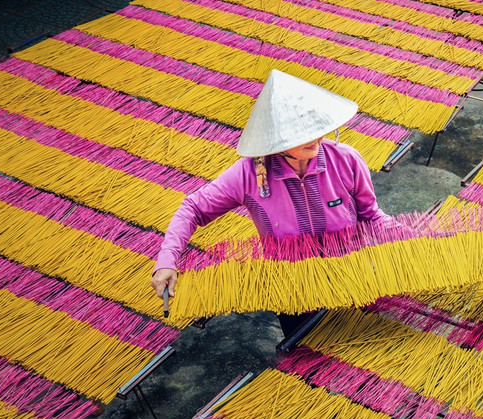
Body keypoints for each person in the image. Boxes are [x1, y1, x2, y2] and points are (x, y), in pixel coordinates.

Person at [150, 70, 395, 335]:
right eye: (299, 134)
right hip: (294, 289)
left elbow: (372, 216)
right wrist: (166, 260)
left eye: (316, 128)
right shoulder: (248, 175)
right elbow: (193, 208)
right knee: (311, 356)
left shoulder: (347, 160)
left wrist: (421, 242)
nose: (314, 139)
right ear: (275, 140)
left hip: (353, 274)